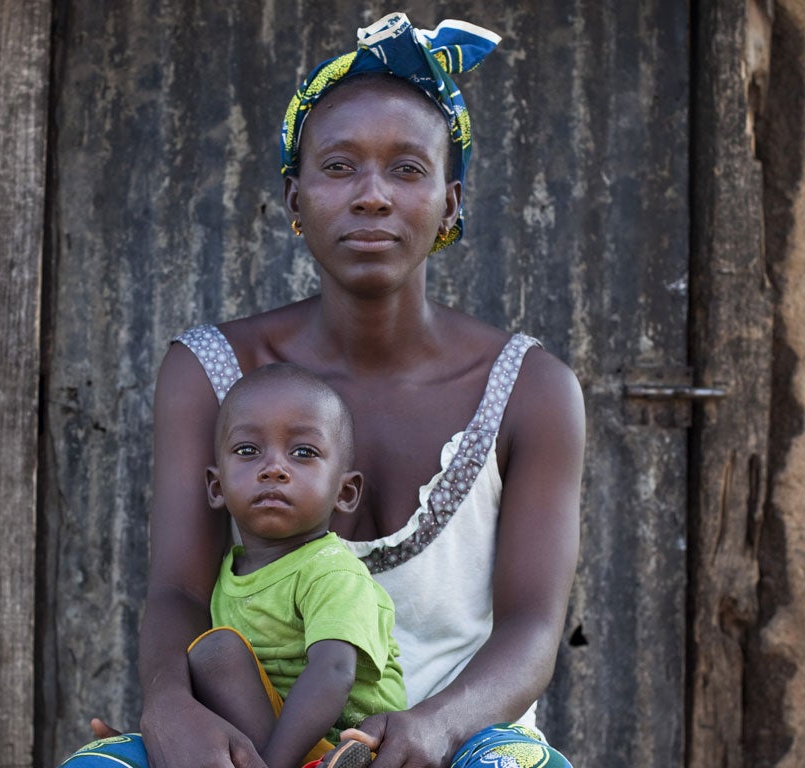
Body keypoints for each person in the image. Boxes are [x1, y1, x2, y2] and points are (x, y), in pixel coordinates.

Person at [73, 11, 584, 768]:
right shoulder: (212, 371)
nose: (372, 196)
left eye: (407, 169)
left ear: (451, 202)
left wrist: (437, 727)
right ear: (293, 199)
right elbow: (178, 592)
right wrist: (170, 705)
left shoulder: (532, 388)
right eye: (339, 166)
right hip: (260, 738)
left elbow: (533, 629)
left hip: (457, 740)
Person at [188, 363, 405, 768]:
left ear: (345, 491)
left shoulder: (331, 571)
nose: (273, 468)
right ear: (217, 487)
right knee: (212, 656)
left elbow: (335, 672)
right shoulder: (228, 574)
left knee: (216, 651)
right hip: (278, 744)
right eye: (248, 451)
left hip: (353, 740)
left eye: (303, 452)